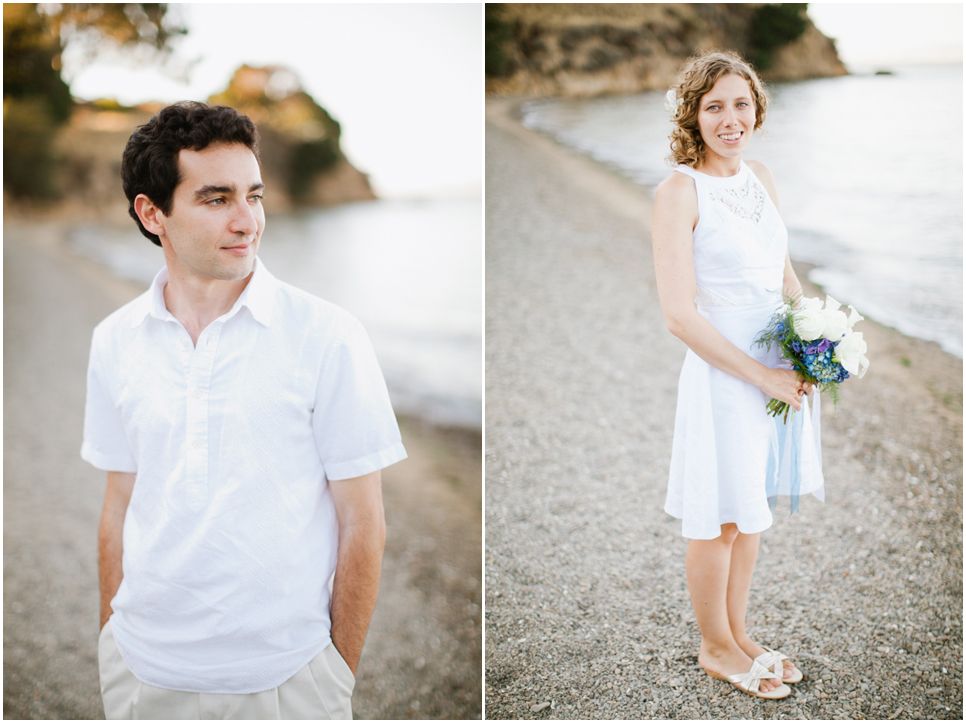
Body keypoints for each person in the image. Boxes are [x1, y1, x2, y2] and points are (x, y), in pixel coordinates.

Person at [82, 101, 407, 719]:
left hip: (286, 678)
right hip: (141, 674)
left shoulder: (328, 335)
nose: (247, 221)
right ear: (153, 214)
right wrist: (110, 640)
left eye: (253, 196)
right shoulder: (113, 340)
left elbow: (363, 522)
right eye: (216, 199)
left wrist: (336, 672)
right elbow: (118, 504)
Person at [651, 51, 825, 700]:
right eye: (714, 106)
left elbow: (783, 274)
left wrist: (814, 343)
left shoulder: (762, 178)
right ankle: (715, 646)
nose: (731, 118)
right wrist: (759, 375)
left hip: (776, 367)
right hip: (727, 375)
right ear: (694, 117)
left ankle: (739, 630)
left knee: (750, 515)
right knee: (717, 520)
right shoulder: (679, 192)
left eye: (741, 103)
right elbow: (677, 314)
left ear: (757, 109)